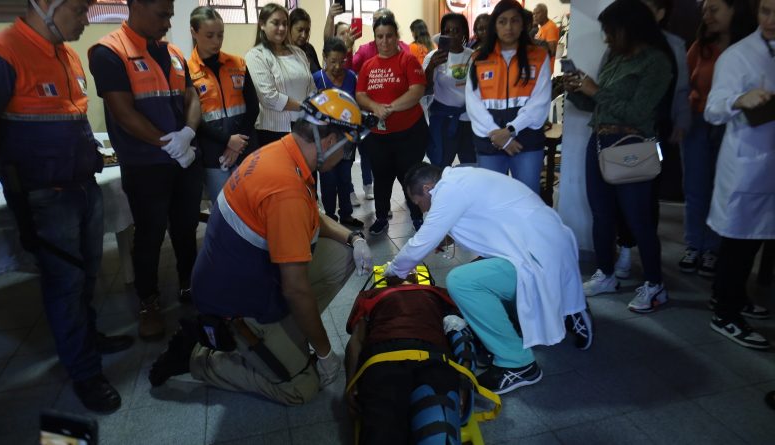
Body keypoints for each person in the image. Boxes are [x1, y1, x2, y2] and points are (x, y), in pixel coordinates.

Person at [148, 89, 375, 405]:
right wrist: (325, 355)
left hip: (246, 276)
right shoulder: (286, 190)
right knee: (302, 387)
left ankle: (287, 335)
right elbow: (295, 288)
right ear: (327, 142)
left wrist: (355, 239)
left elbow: (313, 216)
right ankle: (197, 357)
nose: (346, 158)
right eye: (347, 149)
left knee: (343, 254)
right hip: (234, 306)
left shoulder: (284, 151)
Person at [0, 0, 132, 413]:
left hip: (83, 185)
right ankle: (84, 372)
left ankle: (88, 338)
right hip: (45, 195)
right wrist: (23, 166)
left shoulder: (67, 54)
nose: (86, 20)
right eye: (80, 10)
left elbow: (72, 119)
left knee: (88, 273)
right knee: (64, 285)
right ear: (45, 5)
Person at [383, 163, 593, 394]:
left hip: (538, 259)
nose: (422, 209)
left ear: (428, 188)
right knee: (478, 269)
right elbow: (492, 217)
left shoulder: (447, 190)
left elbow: (420, 242)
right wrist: (450, 236)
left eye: (419, 202)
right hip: (550, 248)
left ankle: (518, 364)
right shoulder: (462, 177)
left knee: (462, 282)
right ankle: (563, 306)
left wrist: (394, 271)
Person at [89, 0, 203, 339]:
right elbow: (123, 113)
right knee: (150, 235)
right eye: (162, 14)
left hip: (184, 160)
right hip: (146, 164)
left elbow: (193, 98)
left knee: (186, 228)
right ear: (136, 5)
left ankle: (189, 284)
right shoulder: (109, 52)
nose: (168, 22)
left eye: (170, 14)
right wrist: (169, 144)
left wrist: (188, 133)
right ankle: (148, 302)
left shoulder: (175, 53)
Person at [565, 0, 675, 313]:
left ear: (630, 28)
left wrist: (594, 90)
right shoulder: (613, 56)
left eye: (611, 32)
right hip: (599, 141)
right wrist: (577, 90)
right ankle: (606, 274)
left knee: (638, 219)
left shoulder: (656, 62)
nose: (606, 38)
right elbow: (597, 105)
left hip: (632, 147)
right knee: (601, 214)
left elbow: (640, 113)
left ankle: (655, 285)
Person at [705, 0, 775, 350]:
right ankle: (725, 312)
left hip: (769, 163)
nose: (770, 20)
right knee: (738, 241)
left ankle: (737, 297)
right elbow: (712, 109)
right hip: (747, 163)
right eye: (765, 10)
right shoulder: (738, 55)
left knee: (758, 239)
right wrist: (739, 99)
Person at [614, 0, 693, 280]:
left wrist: (681, 120)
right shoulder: (622, 40)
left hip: (656, 128)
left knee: (649, 197)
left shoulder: (673, 44)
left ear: (661, 13)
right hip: (623, 130)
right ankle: (624, 249)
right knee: (622, 190)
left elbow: (682, 87)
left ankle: (651, 268)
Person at [678, 0, 757, 277]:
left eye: (714, 9)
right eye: (704, 11)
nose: (707, 16)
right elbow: (684, 83)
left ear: (734, 10)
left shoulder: (750, 50)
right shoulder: (700, 47)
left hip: (733, 125)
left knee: (722, 188)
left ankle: (712, 248)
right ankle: (694, 245)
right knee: (695, 186)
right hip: (699, 123)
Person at [344, 278, 476, 444]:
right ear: (387, 279)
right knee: (382, 434)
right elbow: (356, 340)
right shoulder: (371, 295)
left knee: (437, 437)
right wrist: (351, 383)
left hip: (428, 359)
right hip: (388, 359)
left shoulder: (438, 293)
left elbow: (459, 330)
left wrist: (465, 381)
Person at [466, 0, 552, 195]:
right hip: (490, 139)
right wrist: (500, 136)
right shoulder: (478, 59)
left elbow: (539, 104)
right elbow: (474, 105)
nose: (509, 27)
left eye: (514, 21)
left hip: (526, 140)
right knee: (491, 201)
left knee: (527, 199)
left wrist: (510, 130)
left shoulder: (539, 56)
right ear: (494, 26)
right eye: (502, 21)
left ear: (523, 25)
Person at [356, 15, 428, 235]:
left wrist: (389, 107)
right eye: (380, 37)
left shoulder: (408, 60)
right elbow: (360, 94)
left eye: (389, 36)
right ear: (375, 39)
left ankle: (416, 217)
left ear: (396, 36)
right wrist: (375, 107)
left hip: (410, 133)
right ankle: (381, 217)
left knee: (409, 176)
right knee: (382, 177)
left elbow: (416, 91)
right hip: (379, 136)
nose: (385, 41)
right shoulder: (368, 66)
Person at [188, 6, 259, 203]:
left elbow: (253, 107)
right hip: (212, 153)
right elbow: (193, 119)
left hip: (245, 147)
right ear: (194, 32)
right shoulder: (187, 72)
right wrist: (228, 140)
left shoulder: (238, 64)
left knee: (251, 203)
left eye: (220, 35)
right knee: (222, 207)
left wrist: (237, 144)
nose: (216, 41)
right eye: (209, 35)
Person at [246, 3, 315, 147]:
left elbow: (311, 87)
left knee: (306, 170)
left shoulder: (299, 53)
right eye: (276, 23)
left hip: (304, 126)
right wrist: (304, 106)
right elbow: (268, 97)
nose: (282, 28)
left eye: (285, 23)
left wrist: (312, 108)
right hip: (273, 131)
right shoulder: (256, 55)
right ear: (262, 25)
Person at [313, 38, 363, 228]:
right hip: (324, 138)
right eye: (332, 61)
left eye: (341, 61)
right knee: (328, 178)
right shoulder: (317, 78)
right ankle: (330, 216)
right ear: (324, 57)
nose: (336, 66)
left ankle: (347, 215)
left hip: (347, 137)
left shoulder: (351, 77)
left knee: (345, 177)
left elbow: (356, 103)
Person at [423, 13, 476, 167]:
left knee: (470, 166)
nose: (452, 35)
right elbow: (425, 89)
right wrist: (432, 66)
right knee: (440, 165)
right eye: (447, 31)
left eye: (456, 30)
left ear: (464, 33)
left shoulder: (473, 56)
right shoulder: (433, 57)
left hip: (469, 119)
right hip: (443, 119)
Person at [351, 8, 411, 73]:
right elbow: (349, 68)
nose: (376, 23)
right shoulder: (365, 50)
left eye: (380, 20)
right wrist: (348, 49)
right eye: (374, 20)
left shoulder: (405, 48)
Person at [289, 8, 321, 74]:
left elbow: (319, 73)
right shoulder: (283, 51)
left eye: (307, 31)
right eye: (299, 30)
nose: (304, 35)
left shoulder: (309, 48)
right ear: (289, 28)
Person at [532, 3, 559, 70]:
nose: (535, 16)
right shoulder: (542, 27)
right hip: (539, 66)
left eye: (537, 13)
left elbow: (552, 51)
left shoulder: (550, 27)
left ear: (544, 13)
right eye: (534, 14)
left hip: (545, 68)